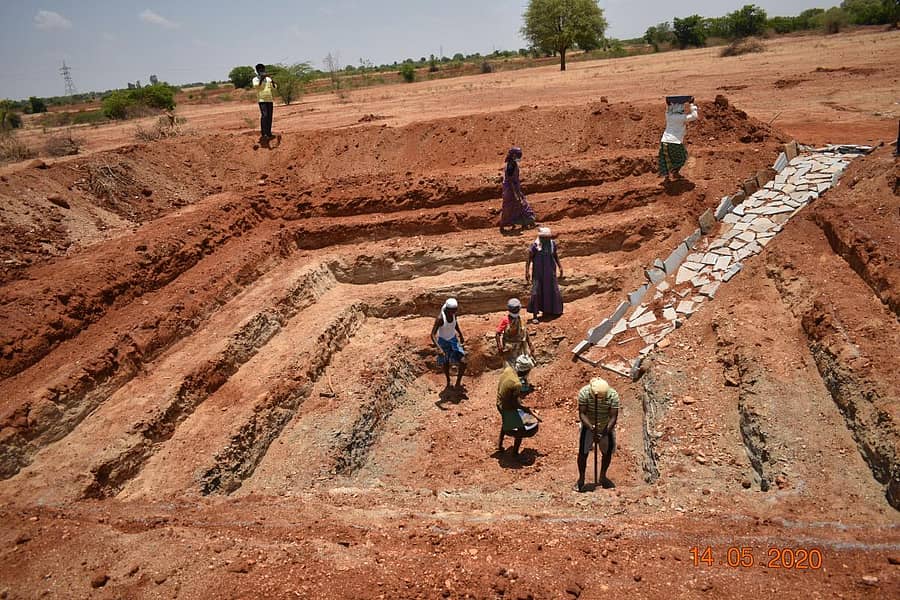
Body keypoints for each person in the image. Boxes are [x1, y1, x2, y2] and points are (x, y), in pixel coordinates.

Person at [574, 377, 620, 492]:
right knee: (583, 452)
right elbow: (582, 413)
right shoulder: (584, 393)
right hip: (589, 425)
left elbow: (613, 417)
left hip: (606, 426)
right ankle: (581, 479)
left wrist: (604, 432)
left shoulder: (613, 395)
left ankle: (603, 477)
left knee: (607, 452)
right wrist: (591, 428)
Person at [496, 355, 540, 459]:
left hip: (499, 402)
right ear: (527, 371)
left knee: (505, 422)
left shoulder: (508, 370)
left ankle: (500, 444)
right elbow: (515, 404)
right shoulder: (517, 384)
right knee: (520, 430)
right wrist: (528, 410)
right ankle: (515, 454)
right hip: (507, 407)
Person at [525, 227, 564, 324]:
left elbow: (555, 255)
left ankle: (551, 311)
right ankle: (535, 315)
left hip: (550, 272)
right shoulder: (535, 246)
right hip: (538, 274)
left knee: (550, 290)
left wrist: (560, 267)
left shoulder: (552, 244)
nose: (546, 239)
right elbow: (529, 259)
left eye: (547, 237)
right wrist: (527, 272)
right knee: (536, 292)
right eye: (544, 238)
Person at [431, 297, 467, 391]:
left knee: (463, 362)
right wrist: (439, 348)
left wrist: (460, 334)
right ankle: (448, 381)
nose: (455, 312)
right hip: (443, 342)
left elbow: (455, 324)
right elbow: (432, 335)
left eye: (455, 310)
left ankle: (458, 383)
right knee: (445, 362)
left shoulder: (453, 314)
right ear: (447, 309)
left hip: (453, 340)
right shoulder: (440, 318)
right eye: (453, 310)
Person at [659, 97, 698, 181]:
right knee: (682, 157)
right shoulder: (681, 118)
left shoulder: (668, 115)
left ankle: (667, 178)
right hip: (674, 142)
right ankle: (675, 173)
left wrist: (669, 103)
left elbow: (669, 108)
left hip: (664, 140)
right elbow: (694, 116)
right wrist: (691, 104)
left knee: (666, 158)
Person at [500, 147, 536, 231]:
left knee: (520, 205)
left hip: (512, 189)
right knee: (516, 205)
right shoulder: (511, 165)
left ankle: (526, 223)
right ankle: (506, 224)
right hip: (511, 190)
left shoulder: (512, 163)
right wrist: (516, 193)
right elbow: (511, 181)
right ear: (513, 155)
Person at [495, 298, 534, 366]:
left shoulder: (519, 318)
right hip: (510, 349)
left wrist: (530, 344)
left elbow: (525, 331)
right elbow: (497, 333)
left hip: (520, 348)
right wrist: (500, 347)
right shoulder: (506, 320)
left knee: (520, 366)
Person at [252, 63, 278, 141]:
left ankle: (269, 133)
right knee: (265, 115)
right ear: (257, 71)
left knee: (269, 116)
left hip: (269, 100)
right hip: (262, 100)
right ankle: (264, 133)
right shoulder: (255, 79)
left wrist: (272, 80)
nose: (262, 71)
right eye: (260, 70)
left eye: (263, 70)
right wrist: (261, 79)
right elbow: (257, 87)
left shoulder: (268, 79)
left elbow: (275, 88)